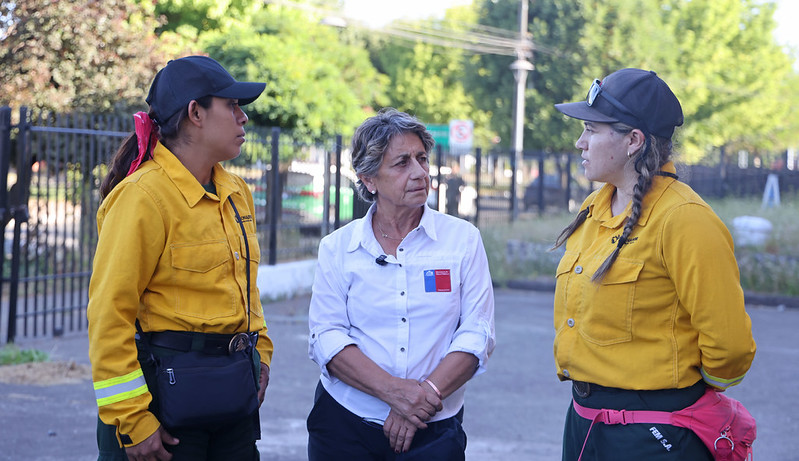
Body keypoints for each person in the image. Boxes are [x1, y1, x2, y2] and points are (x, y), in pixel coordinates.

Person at [551, 68, 756, 460]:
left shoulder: (685, 219)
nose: (580, 143)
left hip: (654, 433)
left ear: (633, 141)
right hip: (585, 423)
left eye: (591, 130)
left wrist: (674, 395)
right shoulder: (594, 208)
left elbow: (729, 349)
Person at [87, 55, 274, 460]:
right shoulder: (142, 197)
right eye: (232, 105)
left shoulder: (236, 191)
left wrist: (261, 356)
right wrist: (133, 420)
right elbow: (109, 315)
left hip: (231, 398)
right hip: (164, 401)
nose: (243, 118)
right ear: (195, 114)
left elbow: (245, 288)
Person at [306, 108, 496, 460]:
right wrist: (395, 393)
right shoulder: (338, 248)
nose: (420, 173)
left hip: (435, 429)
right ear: (368, 179)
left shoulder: (462, 240)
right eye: (402, 163)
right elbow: (327, 337)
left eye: (422, 159)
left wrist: (422, 398)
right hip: (345, 427)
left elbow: (477, 334)